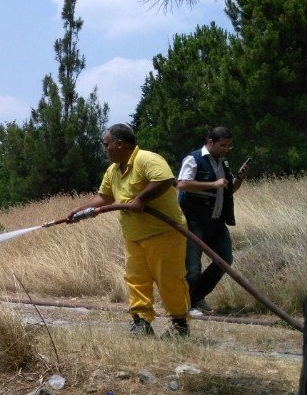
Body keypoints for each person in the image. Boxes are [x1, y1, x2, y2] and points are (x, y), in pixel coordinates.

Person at [67, 124, 190, 338]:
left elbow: (165, 180)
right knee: (136, 279)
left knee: (169, 280)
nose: (105, 149)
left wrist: (140, 199)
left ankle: (180, 325)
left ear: (119, 144)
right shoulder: (113, 170)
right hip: (134, 236)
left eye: (107, 145)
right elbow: (104, 198)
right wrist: (78, 210)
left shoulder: (147, 159)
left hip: (164, 232)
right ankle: (141, 322)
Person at [177, 126, 248, 315]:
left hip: (217, 222)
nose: (225, 149)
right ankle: (186, 304)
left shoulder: (222, 163)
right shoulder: (193, 159)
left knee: (225, 260)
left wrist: (239, 177)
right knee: (192, 267)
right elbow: (182, 184)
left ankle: (197, 297)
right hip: (194, 221)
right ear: (210, 142)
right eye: (222, 145)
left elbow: (228, 191)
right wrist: (212, 184)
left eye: (228, 146)